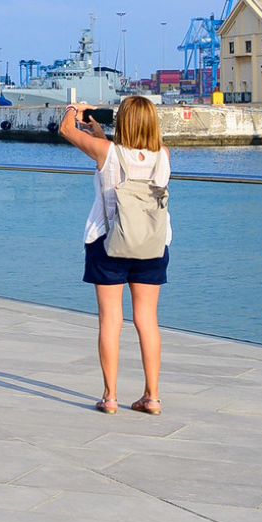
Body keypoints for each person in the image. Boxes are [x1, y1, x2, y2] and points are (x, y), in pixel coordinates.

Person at [59, 97, 170, 415]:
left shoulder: (106, 153)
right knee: (147, 320)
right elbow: (129, 158)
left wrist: (73, 110)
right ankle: (152, 396)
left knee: (111, 320)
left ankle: (110, 396)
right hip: (151, 245)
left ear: (124, 122)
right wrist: (99, 134)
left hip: (108, 244)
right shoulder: (163, 156)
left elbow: (66, 130)